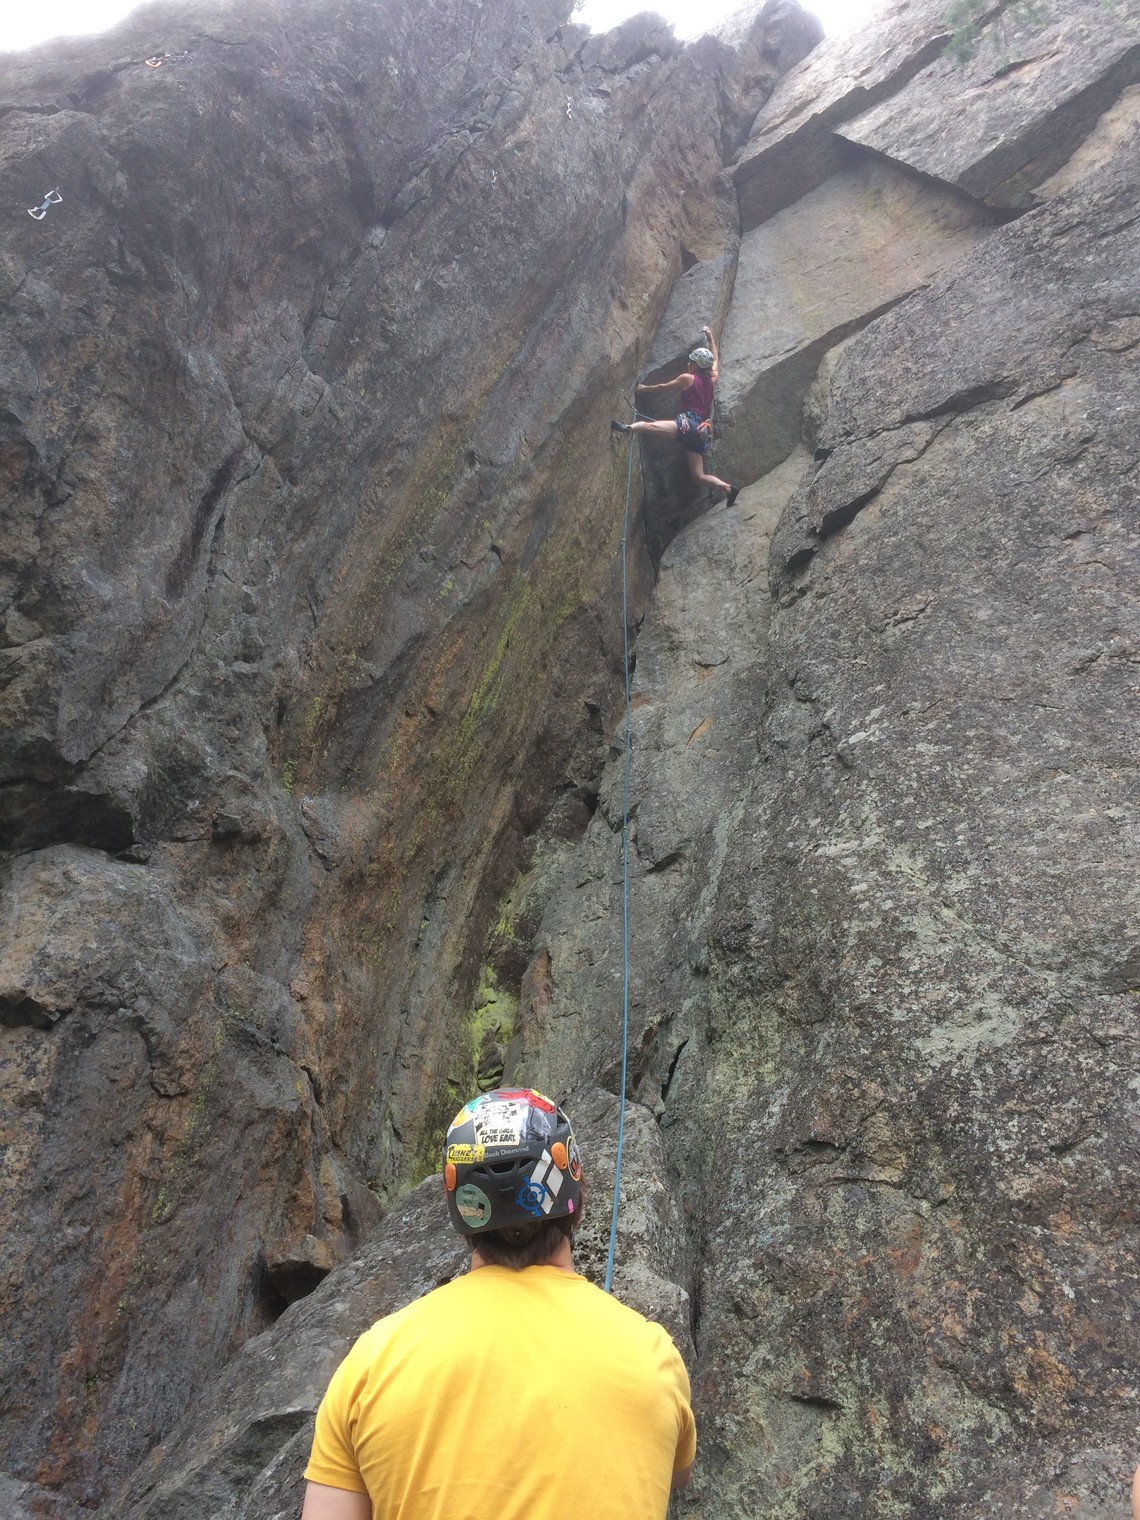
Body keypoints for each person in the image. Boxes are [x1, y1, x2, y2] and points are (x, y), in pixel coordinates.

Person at [300, 1087, 696, 1520]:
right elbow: (676, 1472)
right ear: (575, 1201)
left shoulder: (372, 1362)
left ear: (462, 1211)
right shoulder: (653, 1358)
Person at [612, 323, 739, 505]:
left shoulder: (687, 378)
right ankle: (728, 489)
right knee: (699, 476)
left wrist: (645, 389)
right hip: (700, 431)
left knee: (651, 427)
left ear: (696, 366)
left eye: (691, 362)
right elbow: (716, 360)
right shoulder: (712, 379)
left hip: (688, 423)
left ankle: (628, 428)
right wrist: (710, 338)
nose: (688, 364)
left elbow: (664, 387)